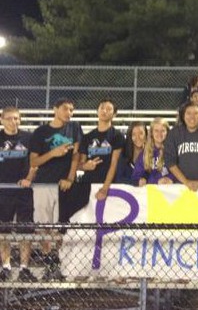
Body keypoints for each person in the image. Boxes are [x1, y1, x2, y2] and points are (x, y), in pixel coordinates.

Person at [29, 98, 83, 281]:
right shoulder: (41, 132)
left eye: (72, 110)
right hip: (44, 184)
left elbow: (76, 156)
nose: (69, 113)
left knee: (60, 227)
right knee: (44, 226)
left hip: (64, 185)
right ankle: (47, 264)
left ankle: (59, 264)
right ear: (55, 109)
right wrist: (53, 153)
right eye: (66, 109)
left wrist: (70, 177)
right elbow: (34, 161)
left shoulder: (75, 128)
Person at [0, 107, 38, 282]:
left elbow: (34, 163)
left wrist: (28, 178)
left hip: (23, 191)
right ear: (2, 120)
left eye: (16, 118)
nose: (13, 122)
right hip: (3, 190)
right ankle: (6, 266)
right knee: (3, 229)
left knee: (26, 229)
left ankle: (24, 268)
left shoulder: (28, 138)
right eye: (9, 118)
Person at [77, 98, 124, 214]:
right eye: (102, 108)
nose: (104, 111)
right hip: (88, 184)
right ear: (97, 111)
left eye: (109, 109)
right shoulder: (87, 137)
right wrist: (85, 166)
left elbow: (114, 164)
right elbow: (79, 164)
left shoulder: (117, 136)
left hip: (108, 184)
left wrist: (105, 188)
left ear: (114, 114)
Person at [133, 118, 175, 186]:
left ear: (167, 132)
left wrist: (170, 178)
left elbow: (179, 172)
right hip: (151, 192)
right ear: (151, 133)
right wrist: (140, 180)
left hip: (169, 191)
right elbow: (136, 175)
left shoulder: (173, 151)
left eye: (163, 131)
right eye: (156, 131)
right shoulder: (145, 153)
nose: (159, 134)